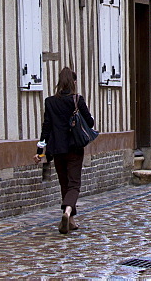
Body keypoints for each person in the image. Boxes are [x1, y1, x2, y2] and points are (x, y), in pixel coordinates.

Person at [38, 67, 94, 234]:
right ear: (73, 82)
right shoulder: (77, 99)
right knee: (74, 184)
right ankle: (68, 211)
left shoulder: (50, 101)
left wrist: (40, 151)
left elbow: (46, 128)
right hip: (74, 147)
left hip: (57, 149)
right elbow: (90, 122)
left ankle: (70, 220)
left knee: (64, 183)